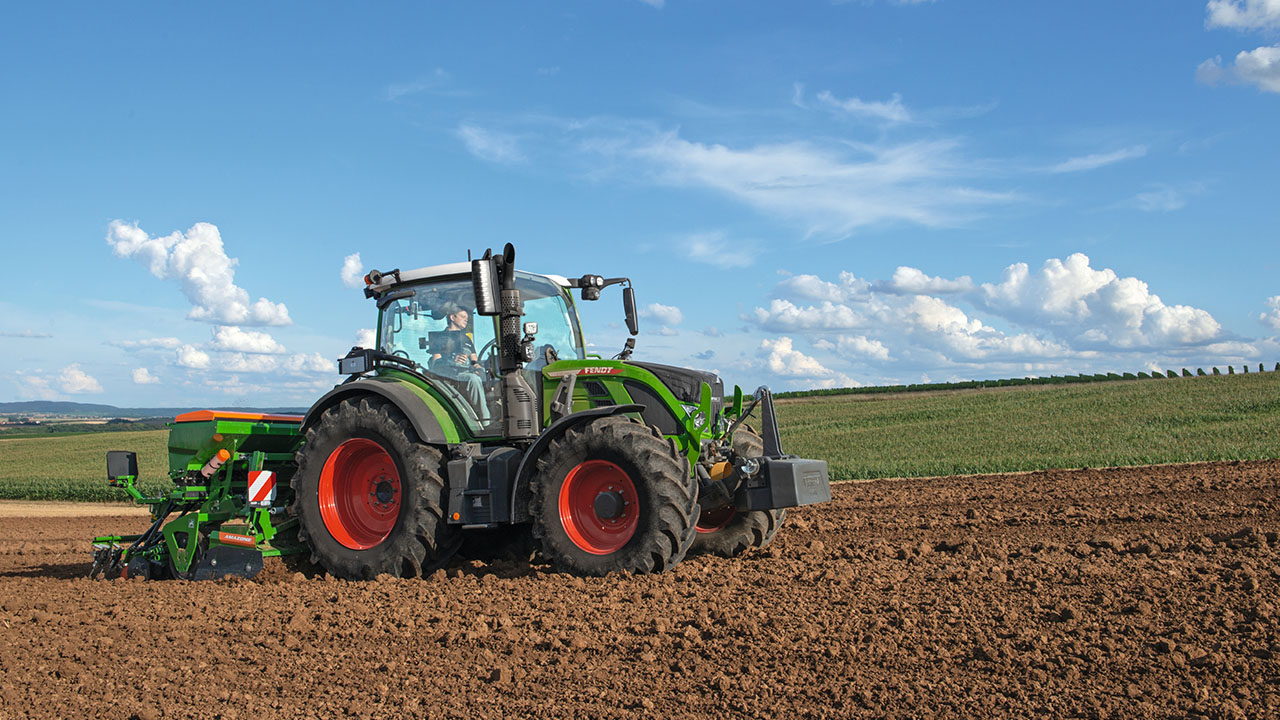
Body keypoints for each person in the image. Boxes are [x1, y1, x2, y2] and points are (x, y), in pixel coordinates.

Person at [429, 305, 490, 423]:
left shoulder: (466, 339)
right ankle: (485, 421)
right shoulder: (439, 338)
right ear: (452, 317)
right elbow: (435, 364)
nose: (466, 319)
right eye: (463, 316)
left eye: (467, 317)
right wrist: (451, 360)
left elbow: (474, 361)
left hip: (466, 372)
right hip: (450, 376)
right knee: (474, 380)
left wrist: (478, 368)